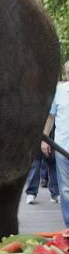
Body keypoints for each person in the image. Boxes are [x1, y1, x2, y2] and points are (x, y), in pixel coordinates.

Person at [43, 60, 69, 226]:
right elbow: (51, 117)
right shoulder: (59, 91)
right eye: (68, 72)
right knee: (66, 190)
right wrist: (45, 139)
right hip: (62, 147)